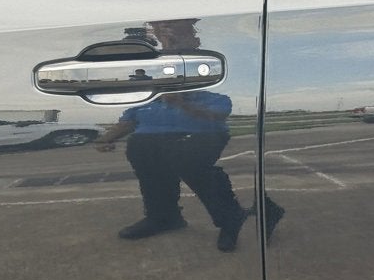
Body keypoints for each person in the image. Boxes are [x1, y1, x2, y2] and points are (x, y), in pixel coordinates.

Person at [96, 89, 277, 251]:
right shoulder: (147, 101)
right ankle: (164, 218)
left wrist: (181, 103)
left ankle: (230, 218)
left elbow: (217, 117)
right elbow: (127, 123)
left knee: (189, 163)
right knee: (148, 168)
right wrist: (105, 139)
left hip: (201, 136)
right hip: (147, 142)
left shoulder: (214, 98)